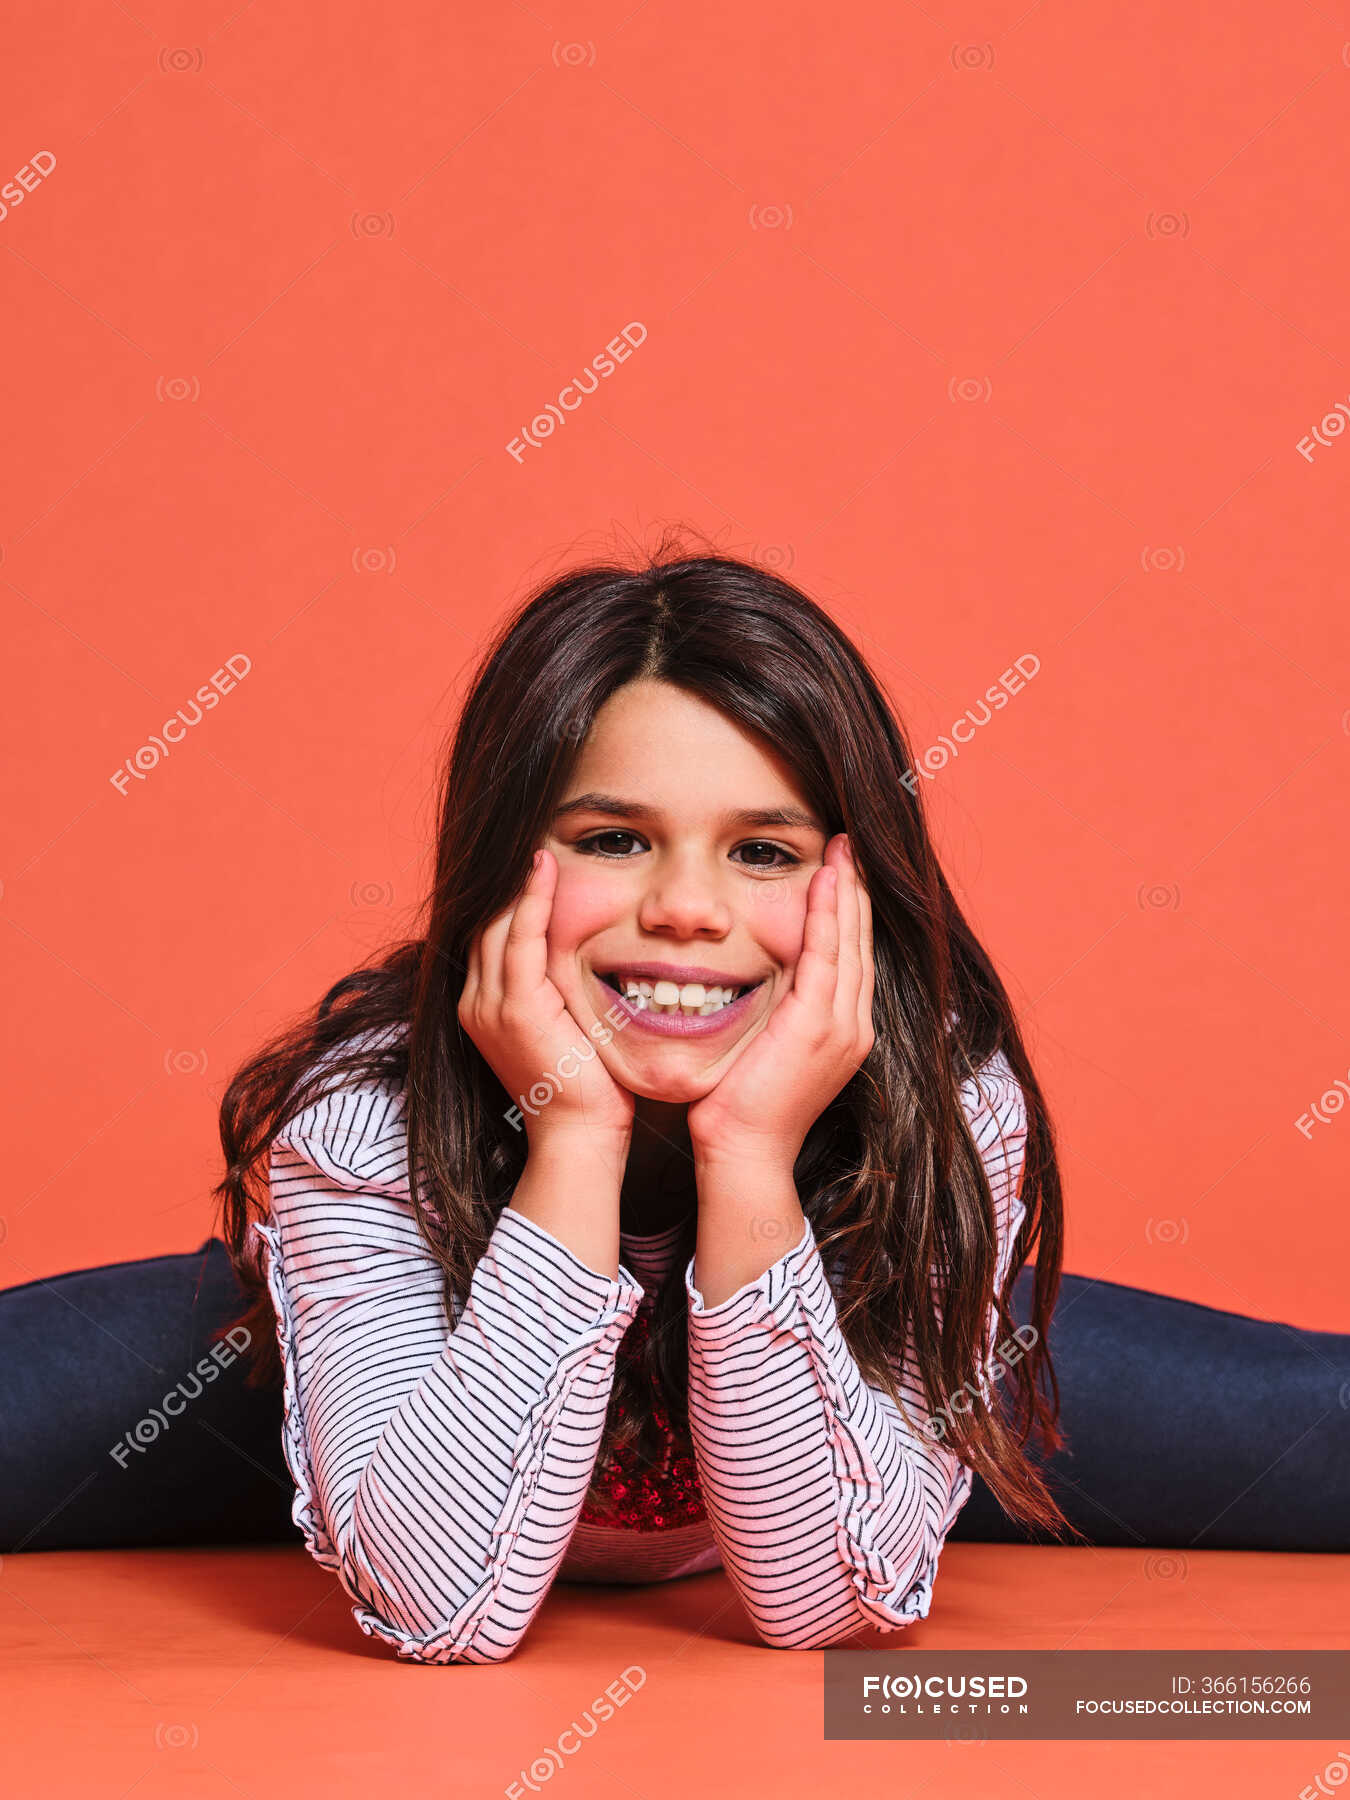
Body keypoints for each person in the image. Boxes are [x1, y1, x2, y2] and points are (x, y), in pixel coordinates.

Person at [4, 549, 1347, 1664]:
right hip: (370, 1390)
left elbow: (825, 1603)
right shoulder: (360, 1120)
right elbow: (436, 1609)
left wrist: (750, 1158)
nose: (687, 911)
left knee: (1309, 1432)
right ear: (499, 865)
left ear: (856, 890)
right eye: (611, 841)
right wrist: (573, 1134)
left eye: (760, 852)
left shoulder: (939, 1101)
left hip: (856, 1375)